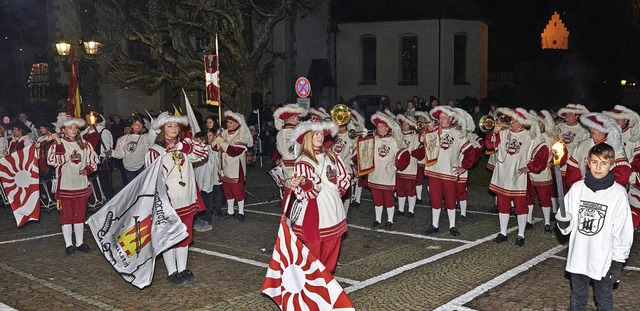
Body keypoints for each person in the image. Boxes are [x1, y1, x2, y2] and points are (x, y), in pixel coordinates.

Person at [555, 143, 633, 311]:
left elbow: (623, 232)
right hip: (579, 256)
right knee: (577, 298)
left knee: (604, 299)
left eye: (604, 163)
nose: (598, 167)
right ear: (587, 163)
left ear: (612, 165)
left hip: (604, 260)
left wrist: (618, 263)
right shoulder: (577, 189)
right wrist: (563, 224)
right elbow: (566, 222)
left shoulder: (618, 194)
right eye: (594, 162)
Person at [145, 112, 208, 285]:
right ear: (161, 129)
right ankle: (172, 271)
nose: (173, 129)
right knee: (169, 236)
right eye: (169, 126)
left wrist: (182, 147)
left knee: (184, 234)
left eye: (176, 125)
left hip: (186, 199)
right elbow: (151, 179)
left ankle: (182, 268)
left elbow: (202, 153)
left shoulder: (185, 145)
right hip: (168, 202)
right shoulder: (154, 151)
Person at [289, 121, 348, 273]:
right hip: (315, 214)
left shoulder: (332, 156)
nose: (320, 137)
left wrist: (336, 194)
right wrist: (304, 182)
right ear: (308, 137)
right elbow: (306, 194)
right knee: (313, 258)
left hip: (334, 212)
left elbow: (345, 179)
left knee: (331, 256)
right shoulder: (303, 162)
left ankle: (326, 284)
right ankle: (313, 287)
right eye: (316, 134)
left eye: (321, 133)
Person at [486, 108, 548, 246]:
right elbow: (489, 144)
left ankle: (521, 234)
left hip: (518, 177)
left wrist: (530, 167)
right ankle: (503, 232)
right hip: (502, 175)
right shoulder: (502, 133)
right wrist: (495, 131)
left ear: (522, 122)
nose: (512, 122)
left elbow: (543, 152)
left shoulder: (529, 136)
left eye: (515, 120)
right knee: (503, 206)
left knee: (520, 207)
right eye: (511, 119)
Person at [47, 113, 99, 255]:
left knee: (80, 215)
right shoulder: (57, 144)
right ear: (63, 129)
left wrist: (88, 169)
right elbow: (54, 161)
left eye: (75, 127)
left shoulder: (84, 144)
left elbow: (94, 160)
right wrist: (58, 143)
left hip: (81, 184)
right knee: (66, 216)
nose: (73, 130)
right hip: (65, 185)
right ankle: (69, 244)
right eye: (70, 127)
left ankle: (80, 242)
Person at [421, 106, 474, 236]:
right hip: (433, 171)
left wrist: (464, 167)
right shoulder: (433, 132)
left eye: (445, 117)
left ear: (451, 118)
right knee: (435, 200)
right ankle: (434, 225)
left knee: (451, 200)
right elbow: (421, 140)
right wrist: (428, 129)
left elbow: (470, 151)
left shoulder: (458, 134)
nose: (443, 119)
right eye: (441, 117)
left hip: (449, 173)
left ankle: (452, 226)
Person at [360, 112, 409, 230]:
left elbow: (405, 155)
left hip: (388, 175)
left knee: (389, 199)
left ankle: (390, 220)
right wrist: (363, 139)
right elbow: (362, 152)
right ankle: (377, 220)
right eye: (378, 126)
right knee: (377, 199)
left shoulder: (394, 141)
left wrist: (397, 166)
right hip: (375, 174)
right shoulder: (373, 139)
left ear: (387, 128)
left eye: (382, 126)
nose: (379, 128)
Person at [565, 112, 630, 189]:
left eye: (595, 127)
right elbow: (572, 171)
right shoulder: (583, 145)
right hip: (584, 191)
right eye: (591, 127)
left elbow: (622, 174)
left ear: (604, 129)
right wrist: (578, 188)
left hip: (606, 192)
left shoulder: (615, 146)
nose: (592, 129)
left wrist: (603, 187)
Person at [603, 105, 640, 229]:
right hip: (614, 173)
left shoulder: (634, 134)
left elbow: (638, 156)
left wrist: (630, 170)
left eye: (620, 118)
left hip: (630, 174)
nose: (617, 121)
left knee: (633, 202)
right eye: (614, 118)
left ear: (627, 119)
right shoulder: (609, 134)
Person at [214, 110, 253, 222]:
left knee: (238, 191)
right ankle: (230, 211)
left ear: (237, 124)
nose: (228, 124)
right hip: (224, 167)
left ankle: (241, 212)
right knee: (227, 190)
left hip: (236, 168)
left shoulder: (242, 135)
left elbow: (234, 151)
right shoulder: (224, 133)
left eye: (231, 122)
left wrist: (221, 142)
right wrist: (218, 137)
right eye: (228, 122)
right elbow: (215, 148)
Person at [273, 104, 307, 197]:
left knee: (290, 192)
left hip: (290, 166)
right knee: (294, 194)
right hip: (292, 168)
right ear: (291, 118)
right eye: (296, 118)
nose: (298, 120)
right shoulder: (289, 133)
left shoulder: (283, 132)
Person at [556, 104, 590, 192]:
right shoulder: (559, 127)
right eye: (566, 114)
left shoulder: (583, 130)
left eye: (570, 114)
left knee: (572, 191)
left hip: (572, 167)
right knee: (560, 192)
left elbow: (584, 149)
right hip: (559, 166)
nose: (567, 116)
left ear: (577, 116)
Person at [82, 112, 114, 200]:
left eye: (89, 117)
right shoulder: (85, 132)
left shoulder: (103, 131)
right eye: (86, 117)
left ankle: (109, 201)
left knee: (104, 183)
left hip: (100, 162)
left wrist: (104, 158)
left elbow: (107, 148)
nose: (87, 119)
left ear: (95, 118)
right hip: (88, 162)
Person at [111, 116, 153, 183]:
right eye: (136, 124)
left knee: (142, 187)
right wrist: (111, 153)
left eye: (140, 124)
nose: (138, 126)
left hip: (142, 167)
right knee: (133, 188)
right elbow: (120, 154)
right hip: (129, 168)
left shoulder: (146, 137)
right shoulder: (123, 139)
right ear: (132, 126)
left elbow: (154, 131)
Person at [395, 115, 421, 218]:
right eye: (402, 124)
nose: (403, 126)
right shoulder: (398, 136)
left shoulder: (415, 137)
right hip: (399, 168)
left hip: (410, 167)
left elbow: (419, 152)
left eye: (405, 124)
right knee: (400, 190)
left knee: (410, 190)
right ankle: (401, 210)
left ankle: (411, 210)